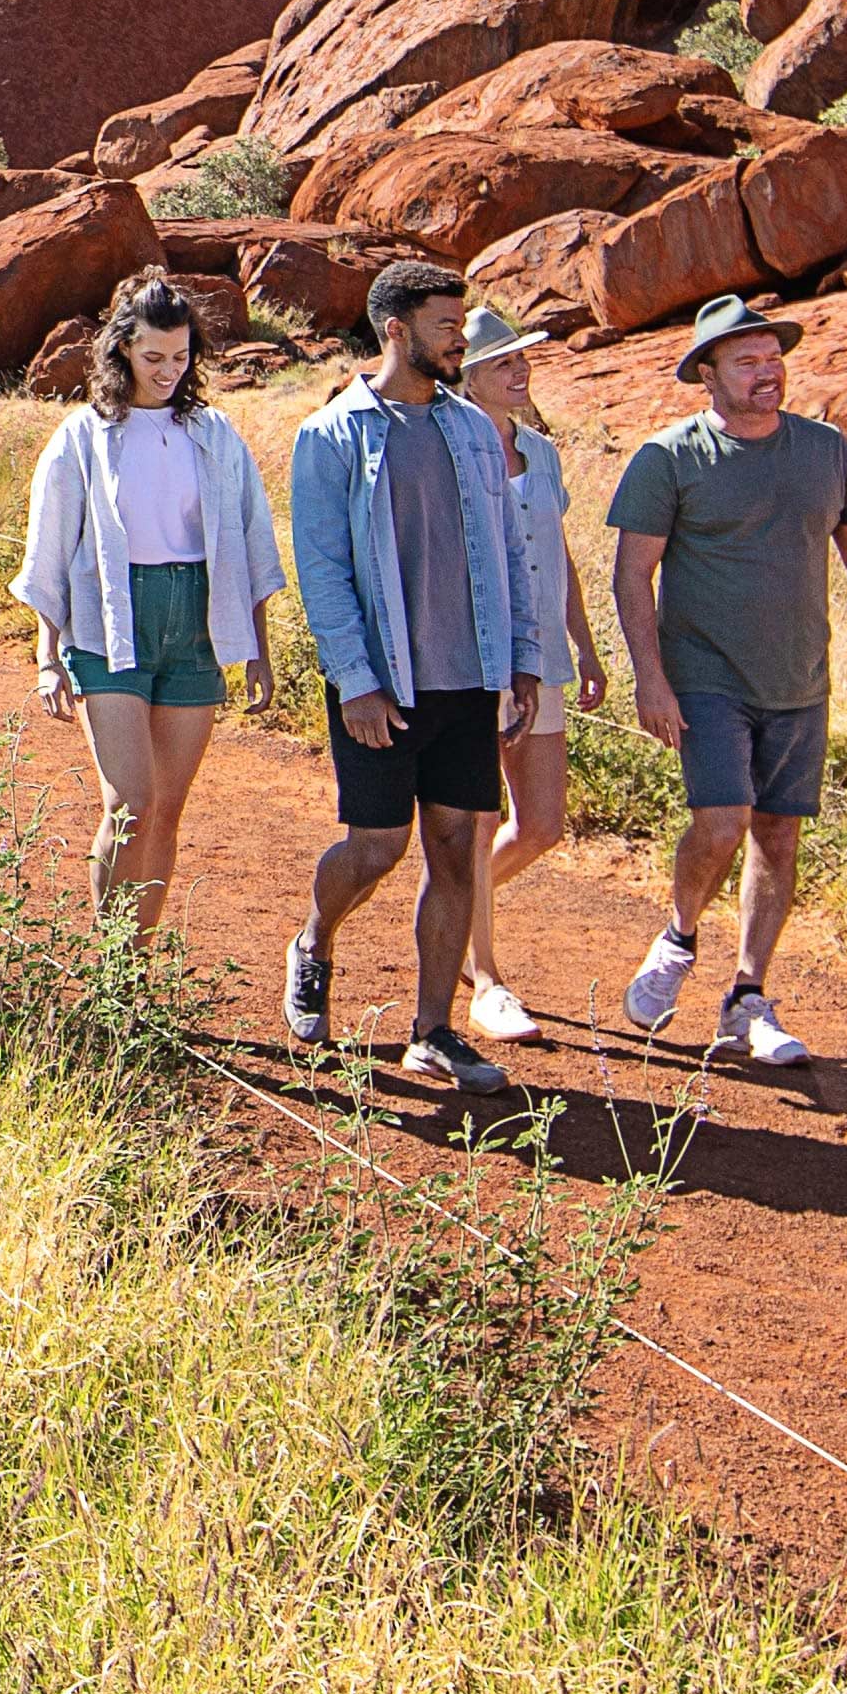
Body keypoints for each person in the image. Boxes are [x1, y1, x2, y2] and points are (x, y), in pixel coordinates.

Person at [599, 294, 847, 1076]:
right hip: (706, 678)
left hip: (801, 679)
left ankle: (747, 998)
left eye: (774, 358)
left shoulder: (826, 450)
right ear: (708, 373)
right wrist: (651, 681)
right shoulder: (668, 458)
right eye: (747, 361)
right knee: (723, 822)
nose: (768, 374)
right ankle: (677, 936)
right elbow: (633, 575)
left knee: (778, 834)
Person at [283, 256, 563, 1103]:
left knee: (455, 847)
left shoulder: (474, 430)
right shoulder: (333, 434)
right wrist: (355, 682)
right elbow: (323, 569)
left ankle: (433, 1031)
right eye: (447, 326)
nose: (461, 338)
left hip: (468, 679)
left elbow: (511, 553)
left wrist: (519, 661)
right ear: (396, 330)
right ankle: (313, 942)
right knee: (376, 848)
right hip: (382, 683)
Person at [16, 274, 282, 949]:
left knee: (165, 810)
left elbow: (251, 542)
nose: (168, 371)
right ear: (122, 351)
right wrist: (48, 655)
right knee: (129, 803)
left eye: (181, 356)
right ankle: (107, 968)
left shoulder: (216, 435)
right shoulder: (84, 435)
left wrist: (257, 650)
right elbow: (50, 545)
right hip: (110, 624)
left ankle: (135, 970)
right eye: (153, 357)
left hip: (195, 624)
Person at [449, 303, 615, 1042]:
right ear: (469, 377)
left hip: (543, 655)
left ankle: (455, 909)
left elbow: (560, 552)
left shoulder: (541, 452)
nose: (520, 372)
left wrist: (584, 644)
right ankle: (486, 977)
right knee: (482, 817)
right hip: (478, 660)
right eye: (504, 363)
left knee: (542, 823)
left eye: (522, 360)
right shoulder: (449, 447)